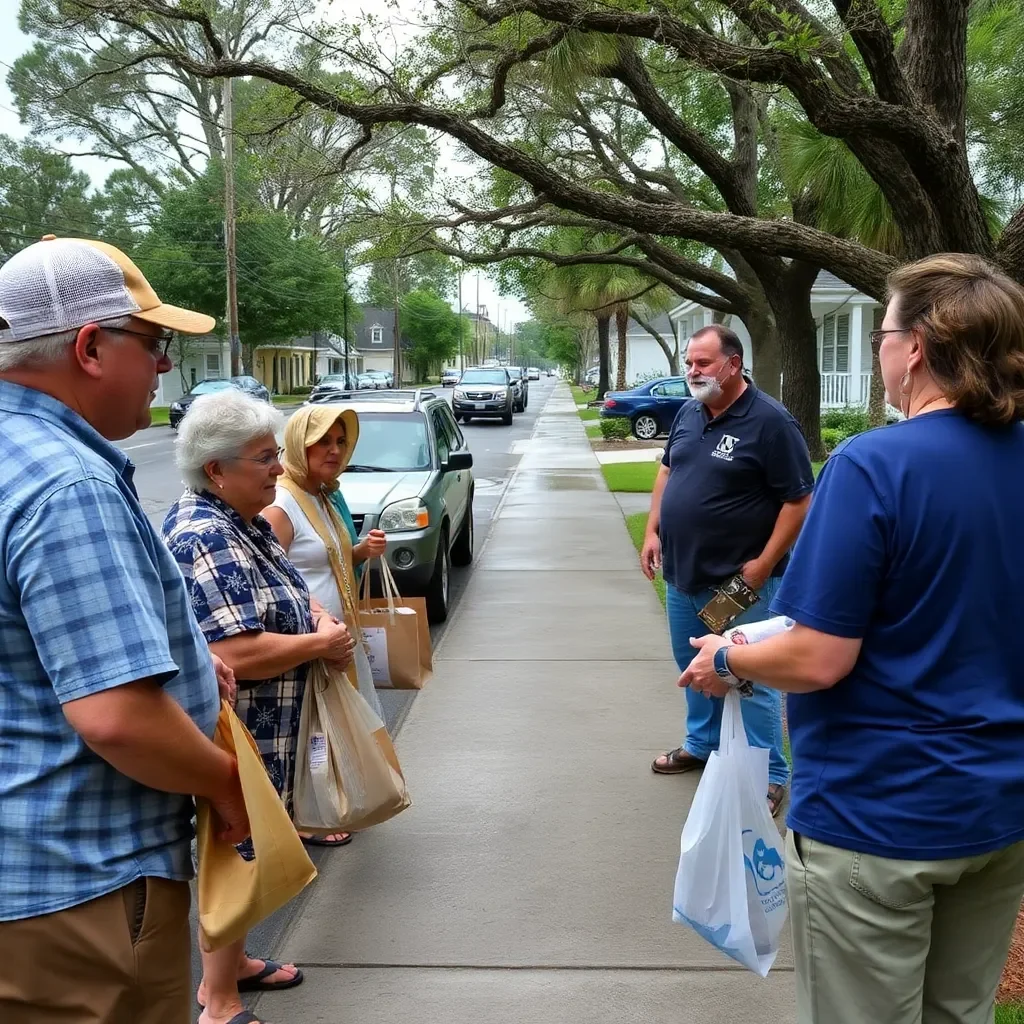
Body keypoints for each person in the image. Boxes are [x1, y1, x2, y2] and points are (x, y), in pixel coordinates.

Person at [682, 253, 1024, 1024]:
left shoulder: (875, 464)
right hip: (1000, 809)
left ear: (918, 349)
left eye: (883, 330)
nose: (879, 348)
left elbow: (817, 655)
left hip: (882, 815)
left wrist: (727, 655)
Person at [0, 235, 249, 1024]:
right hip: (81, 896)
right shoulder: (67, 483)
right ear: (89, 347)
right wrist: (227, 785)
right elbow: (117, 716)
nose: (165, 366)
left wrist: (187, 664)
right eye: (153, 343)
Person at [163, 389, 356, 1024]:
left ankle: (238, 965)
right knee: (234, 855)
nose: (279, 468)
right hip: (237, 731)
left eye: (276, 454)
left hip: (268, 724)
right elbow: (234, 651)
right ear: (216, 470)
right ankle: (217, 1002)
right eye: (264, 458)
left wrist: (318, 619)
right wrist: (318, 641)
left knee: (251, 849)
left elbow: (292, 594)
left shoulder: (242, 522)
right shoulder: (206, 536)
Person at [641, 324, 813, 815]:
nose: (693, 371)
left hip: (739, 586)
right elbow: (668, 469)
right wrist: (653, 529)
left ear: (733, 364)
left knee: (750, 678)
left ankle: (769, 774)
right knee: (693, 666)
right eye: (690, 363)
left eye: (703, 363)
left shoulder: (770, 422)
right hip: (683, 575)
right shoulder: (690, 412)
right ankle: (702, 744)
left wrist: (760, 568)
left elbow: (799, 500)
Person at [262, 405, 389, 756]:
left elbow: (326, 559)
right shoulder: (282, 505)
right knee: (319, 753)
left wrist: (361, 551)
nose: (334, 450)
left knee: (347, 748)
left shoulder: (324, 495)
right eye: (322, 441)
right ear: (300, 444)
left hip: (339, 641)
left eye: (340, 441)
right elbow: (270, 580)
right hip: (311, 650)